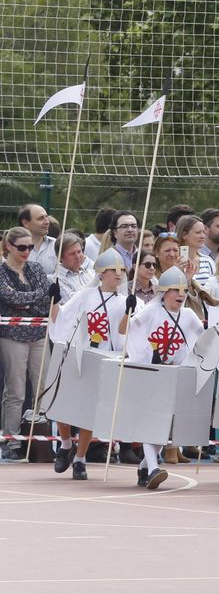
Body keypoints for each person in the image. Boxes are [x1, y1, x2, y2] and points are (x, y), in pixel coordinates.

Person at [49, 251, 129, 479]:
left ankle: (80, 458)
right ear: (102, 274)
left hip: (103, 357)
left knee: (88, 413)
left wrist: (129, 311)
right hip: (78, 354)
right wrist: (53, 299)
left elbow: (125, 333)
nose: (119, 274)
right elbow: (61, 318)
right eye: (114, 270)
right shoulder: (85, 295)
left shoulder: (125, 301)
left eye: (121, 270)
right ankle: (65, 445)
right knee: (62, 404)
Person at [123, 266, 205, 489]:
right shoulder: (151, 311)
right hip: (152, 374)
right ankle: (153, 469)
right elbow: (126, 331)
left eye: (184, 290)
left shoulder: (188, 316)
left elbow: (206, 339)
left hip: (174, 375)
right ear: (164, 292)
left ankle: (144, 467)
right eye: (175, 290)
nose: (180, 295)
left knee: (165, 426)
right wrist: (127, 312)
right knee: (152, 422)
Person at [0, 227, 50, 460]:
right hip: (12, 336)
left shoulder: (36, 268)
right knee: (16, 391)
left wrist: (25, 304)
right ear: (8, 246)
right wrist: (34, 299)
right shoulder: (2, 272)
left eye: (30, 247)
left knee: (42, 388)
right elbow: (8, 297)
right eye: (21, 247)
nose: (26, 251)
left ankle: (40, 438)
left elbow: (45, 299)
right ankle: (11, 441)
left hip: (39, 334)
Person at [19, 204, 57, 275]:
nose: (47, 222)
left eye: (46, 217)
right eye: (41, 218)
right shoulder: (14, 248)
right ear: (26, 223)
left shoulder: (56, 245)